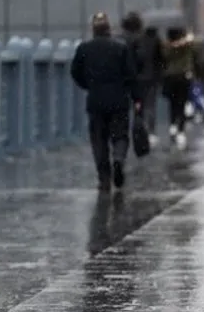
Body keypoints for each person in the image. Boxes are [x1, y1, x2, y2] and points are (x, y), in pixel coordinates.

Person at [71, 12, 140, 192]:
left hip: (96, 101)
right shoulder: (121, 48)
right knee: (120, 136)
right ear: (109, 29)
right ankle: (118, 159)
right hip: (119, 100)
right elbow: (131, 75)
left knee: (99, 140)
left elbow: (75, 73)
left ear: (93, 29)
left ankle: (104, 178)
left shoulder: (84, 49)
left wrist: (89, 85)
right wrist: (136, 98)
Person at [162, 27, 194, 150]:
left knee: (173, 104)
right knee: (182, 104)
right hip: (183, 77)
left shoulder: (166, 47)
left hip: (170, 78)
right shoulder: (185, 46)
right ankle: (180, 129)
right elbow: (191, 41)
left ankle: (172, 125)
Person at [140, 26, 166, 146]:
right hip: (152, 78)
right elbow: (161, 60)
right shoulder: (157, 42)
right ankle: (151, 130)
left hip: (140, 78)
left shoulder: (140, 42)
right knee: (151, 105)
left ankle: (140, 129)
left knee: (140, 104)